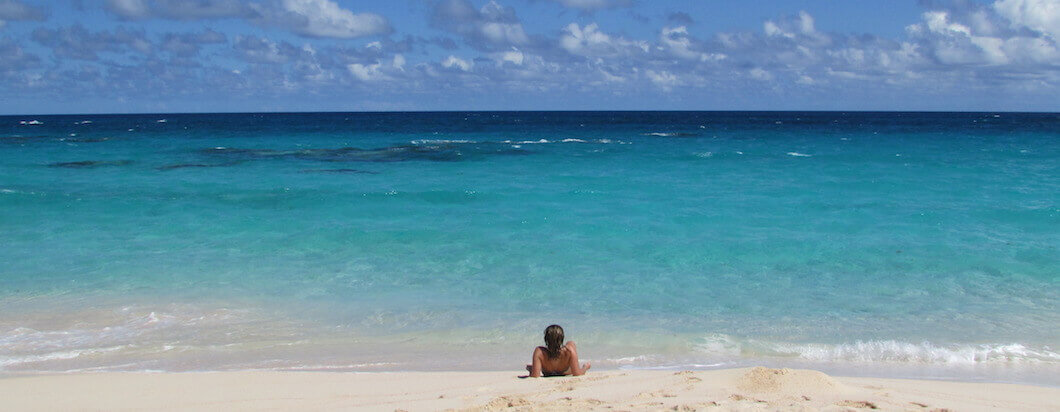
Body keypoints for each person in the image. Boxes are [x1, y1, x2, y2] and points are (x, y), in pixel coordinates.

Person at [525, 324, 591, 377]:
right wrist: (585, 368)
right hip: (565, 372)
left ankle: (533, 368)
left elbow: (535, 376)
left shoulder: (539, 352)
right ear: (562, 339)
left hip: (548, 373)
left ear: (546, 339)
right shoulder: (568, 351)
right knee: (571, 343)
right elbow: (577, 374)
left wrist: (532, 371)